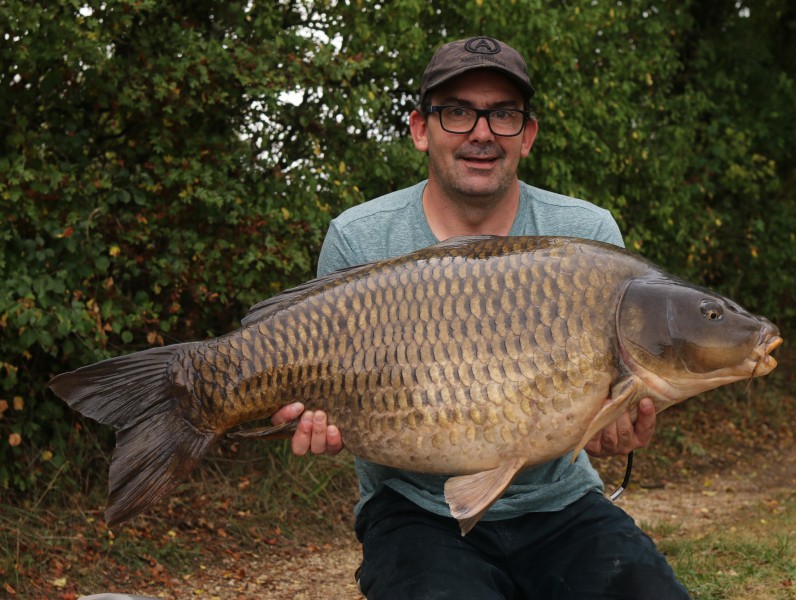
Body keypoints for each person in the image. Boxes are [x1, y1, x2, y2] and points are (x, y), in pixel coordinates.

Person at [272, 37, 691, 599]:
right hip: (415, 511)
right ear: (422, 129)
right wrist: (325, 424)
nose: (482, 132)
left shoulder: (589, 238)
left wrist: (611, 432)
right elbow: (328, 394)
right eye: (458, 111)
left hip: (561, 505)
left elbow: (601, 416)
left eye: (504, 114)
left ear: (528, 135)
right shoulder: (360, 238)